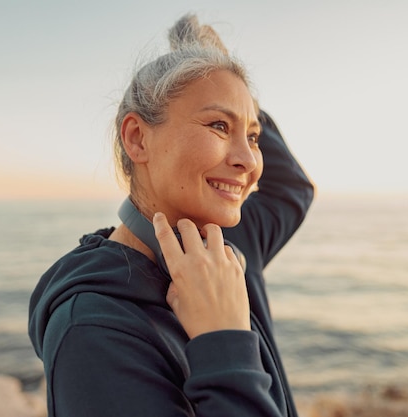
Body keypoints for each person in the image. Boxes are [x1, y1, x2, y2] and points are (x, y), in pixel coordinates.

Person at [28, 13, 314, 417]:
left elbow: (292, 190)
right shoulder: (94, 331)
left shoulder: (229, 250)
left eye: (252, 137)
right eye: (218, 125)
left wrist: (231, 85)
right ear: (137, 137)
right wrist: (224, 342)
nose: (249, 160)